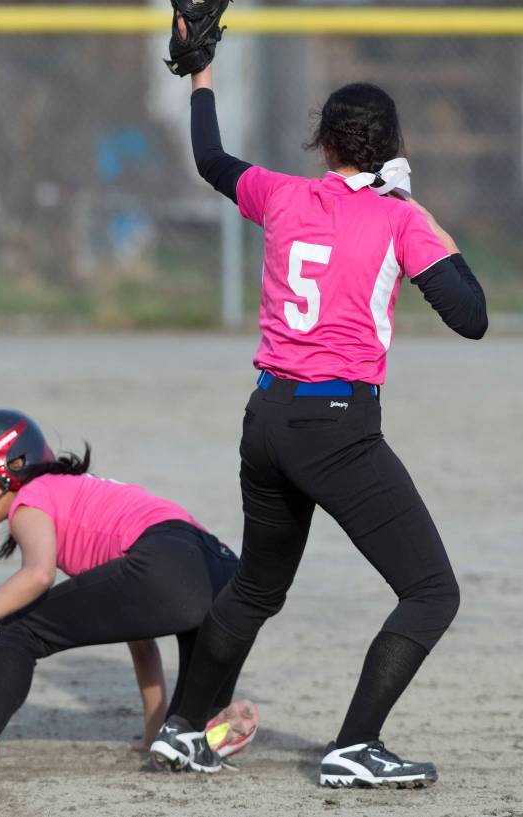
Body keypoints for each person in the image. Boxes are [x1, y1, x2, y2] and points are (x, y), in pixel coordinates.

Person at [154, 47, 487, 788]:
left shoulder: (280, 194)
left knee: (254, 588)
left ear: (325, 145)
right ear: (393, 147)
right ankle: (355, 744)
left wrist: (201, 75)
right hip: (336, 427)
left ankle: (181, 728)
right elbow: (472, 315)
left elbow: (210, 158)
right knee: (432, 591)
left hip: (267, 417)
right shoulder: (398, 218)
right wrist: (416, 208)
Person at [0, 408, 259, 771]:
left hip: (166, 560)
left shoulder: (31, 499)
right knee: (182, 730)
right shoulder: (78, 493)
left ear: (11, 464)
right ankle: (201, 732)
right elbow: (141, 638)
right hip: (221, 569)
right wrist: (151, 734)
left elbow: (37, 576)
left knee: (17, 631)